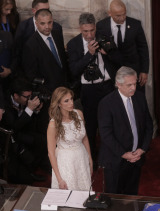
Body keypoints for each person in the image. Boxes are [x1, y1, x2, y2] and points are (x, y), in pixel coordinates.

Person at [67, 13, 121, 166]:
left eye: (92, 30)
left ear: (95, 27)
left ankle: (111, 155)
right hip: (88, 90)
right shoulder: (73, 44)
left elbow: (119, 60)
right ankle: (93, 159)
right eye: (85, 31)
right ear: (80, 29)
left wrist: (107, 53)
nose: (90, 35)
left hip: (108, 87)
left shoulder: (105, 38)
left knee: (111, 123)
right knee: (90, 125)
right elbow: (74, 70)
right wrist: (89, 55)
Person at [98, 66, 153, 195]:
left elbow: (148, 126)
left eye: (134, 84)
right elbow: (106, 135)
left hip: (136, 159)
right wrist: (124, 153)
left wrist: (142, 149)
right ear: (118, 84)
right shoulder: (106, 103)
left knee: (131, 197)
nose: (133, 88)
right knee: (114, 199)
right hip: (115, 161)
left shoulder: (139, 98)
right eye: (129, 85)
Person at [96, 0, 149, 92]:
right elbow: (99, 44)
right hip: (112, 73)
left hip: (133, 71)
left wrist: (144, 71)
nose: (122, 18)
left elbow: (143, 48)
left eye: (124, 14)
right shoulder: (101, 25)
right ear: (110, 13)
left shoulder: (135, 24)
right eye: (118, 16)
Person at [0, 77, 45, 183]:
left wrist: (35, 110)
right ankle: (28, 173)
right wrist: (29, 109)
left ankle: (33, 169)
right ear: (16, 96)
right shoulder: (5, 104)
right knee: (25, 178)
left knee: (42, 140)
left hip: (21, 132)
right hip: (9, 139)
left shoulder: (23, 100)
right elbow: (14, 126)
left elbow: (28, 122)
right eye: (27, 97)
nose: (29, 99)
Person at [47, 87, 92, 191]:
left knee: (84, 192)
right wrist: (59, 179)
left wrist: (90, 158)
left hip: (81, 158)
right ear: (58, 104)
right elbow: (51, 153)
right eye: (66, 101)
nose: (71, 103)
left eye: (71, 99)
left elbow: (84, 138)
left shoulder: (79, 114)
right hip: (66, 163)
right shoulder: (53, 125)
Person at [22, 9, 68, 93]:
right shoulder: (30, 45)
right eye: (42, 23)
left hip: (64, 86)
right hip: (48, 91)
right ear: (36, 24)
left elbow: (62, 61)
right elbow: (31, 75)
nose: (47, 26)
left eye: (49, 22)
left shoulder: (57, 34)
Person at [14, 0, 62, 73]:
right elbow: (17, 52)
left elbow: (60, 54)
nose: (47, 26)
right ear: (34, 10)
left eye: (48, 9)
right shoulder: (23, 27)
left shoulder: (56, 27)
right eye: (43, 10)